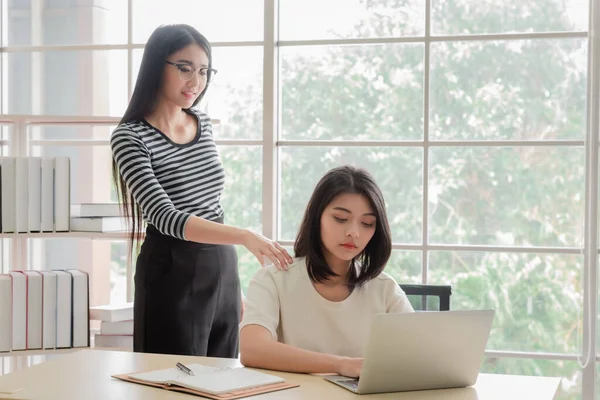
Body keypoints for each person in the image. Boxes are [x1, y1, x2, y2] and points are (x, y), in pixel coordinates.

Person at [110, 24, 292, 358]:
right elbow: (165, 217)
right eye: (184, 69)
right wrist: (245, 236)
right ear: (156, 66)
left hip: (221, 265)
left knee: (222, 379)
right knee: (171, 383)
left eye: (204, 71)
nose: (196, 82)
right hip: (171, 271)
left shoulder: (201, 122)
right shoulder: (130, 137)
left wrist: (231, 285)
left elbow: (210, 203)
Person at [239, 165, 414, 378]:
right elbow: (252, 349)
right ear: (317, 215)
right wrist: (341, 365)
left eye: (367, 223)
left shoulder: (384, 289)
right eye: (340, 219)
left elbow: (418, 355)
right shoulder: (273, 279)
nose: (353, 232)